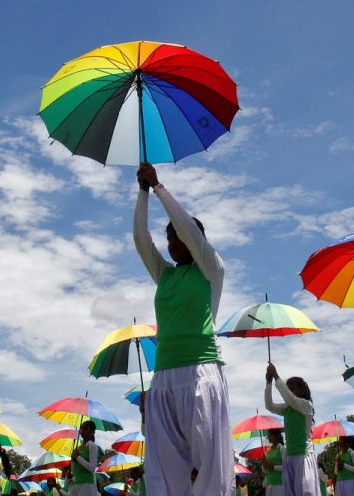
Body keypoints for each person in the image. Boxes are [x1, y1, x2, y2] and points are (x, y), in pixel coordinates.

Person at [133, 162, 233, 495]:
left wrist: (160, 187)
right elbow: (140, 239)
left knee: (210, 467)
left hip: (200, 373)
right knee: (163, 467)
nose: (173, 243)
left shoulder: (211, 270)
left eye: (178, 237)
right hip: (164, 376)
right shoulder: (166, 275)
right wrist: (143, 193)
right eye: (170, 238)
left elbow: (189, 230)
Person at [264, 363, 321, 495]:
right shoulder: (287, 408)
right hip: (290, 458)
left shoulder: (306, 405)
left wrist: (276, 376)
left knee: (306, 492)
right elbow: (269, 405)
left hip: (304, 456)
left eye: (292, 388)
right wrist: (268, 383)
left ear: (302, 391)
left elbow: (290, 398)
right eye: (288, 388)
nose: (289, 391)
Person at [69, 420, 100, 495]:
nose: (83, 430)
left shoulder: (92, 446)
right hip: (76, 484)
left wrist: (78, 457)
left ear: (92, 432)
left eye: (86, 429)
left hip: (87, 484)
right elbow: (73, 470)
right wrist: (73, 460)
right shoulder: (77, 449)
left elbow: (92, 468)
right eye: (81, 428)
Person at [261, 428, 285, 496]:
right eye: (268, 436)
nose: (268, 437)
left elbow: (287, 467)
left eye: (270, 435)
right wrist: (264, 465)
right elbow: (266, 471)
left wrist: (273, 467)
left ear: (277, 436)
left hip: (279, 483)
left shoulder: (282, 449)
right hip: (269, 483)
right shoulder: (268, 451)